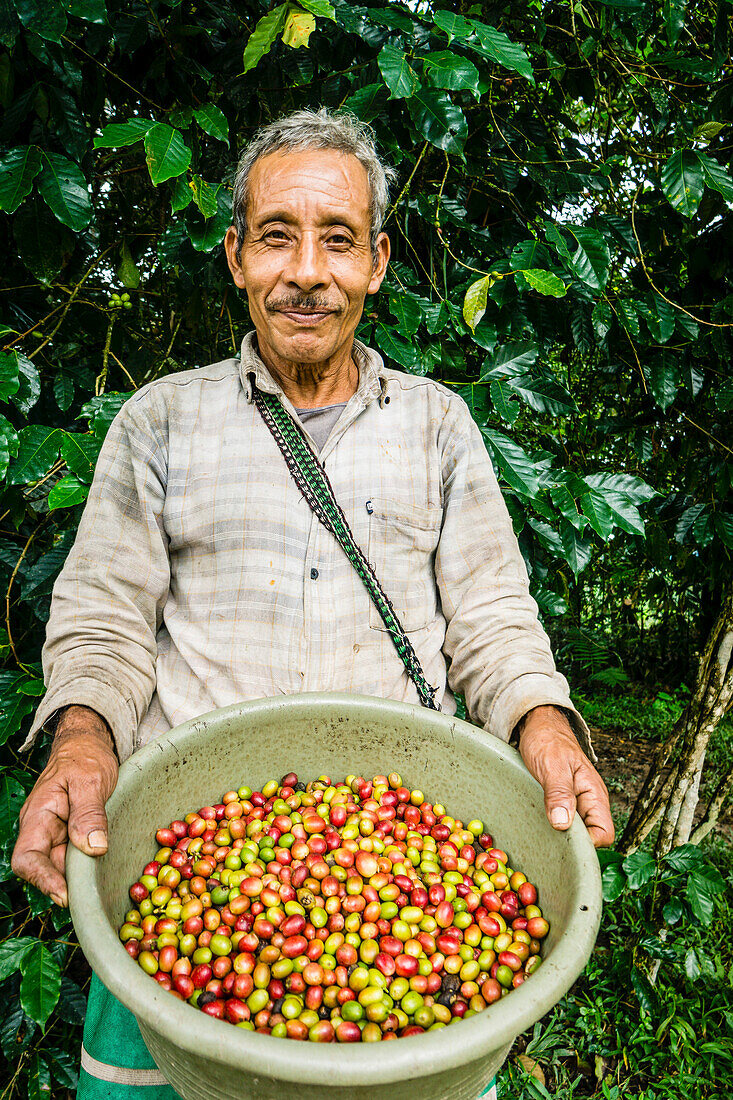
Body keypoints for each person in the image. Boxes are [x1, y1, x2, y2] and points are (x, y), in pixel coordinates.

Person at [12, 108, 613, 1099]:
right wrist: (81, 735)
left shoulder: (437, 425)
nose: (306, 271)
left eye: (336, 239)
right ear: (235, 254)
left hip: (404, 827)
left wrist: (542, 724)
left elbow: (492, 613)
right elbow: (105, 612)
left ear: (376, 262)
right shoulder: (159, 418)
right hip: (187, 835)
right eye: (277, 235)